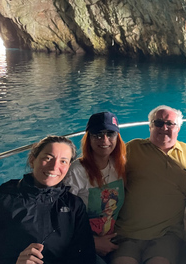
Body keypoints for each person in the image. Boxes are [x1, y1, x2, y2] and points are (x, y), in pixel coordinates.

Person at [0, 135, 96, 264]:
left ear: (69, 166)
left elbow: (86, 255)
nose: (54, 167)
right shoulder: (0, 204)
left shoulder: (74, 205)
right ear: (32, 160)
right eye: (48, 158)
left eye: (63, 161)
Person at [111, 105, 186, 264]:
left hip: (166, 234)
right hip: (128, 233)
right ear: (150, 126)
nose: (164, 127)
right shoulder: (133, 148)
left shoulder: (185, 151)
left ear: (178, 128)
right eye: (158, 123)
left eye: (170, 124)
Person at [64, 111, 127, 263]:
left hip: (112, 239)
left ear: (117, 137)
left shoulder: (120, 165)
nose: (104, 140)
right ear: (89, 138)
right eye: (97, 134)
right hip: (82, 242)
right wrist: (93, 242)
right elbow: (63, 217)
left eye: (110, 133)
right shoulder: (77, 171)